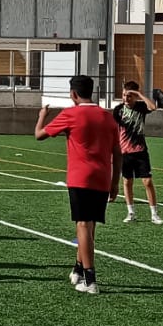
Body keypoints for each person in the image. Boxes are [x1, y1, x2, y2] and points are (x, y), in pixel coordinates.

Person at [35, 75, 117, 294]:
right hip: (102, 178)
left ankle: (90, 279)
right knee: (89, 226)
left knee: (82, 224)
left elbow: (39, 135)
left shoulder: (70, 114)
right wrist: (115, 182)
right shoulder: (107, 117)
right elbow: (118, 153)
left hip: (81, 177)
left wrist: (42, 117)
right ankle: (79, 269)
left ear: (73, 94)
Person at [111, 80, 163, 224]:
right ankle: (131, 212)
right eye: (124, 95)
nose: (126, 99)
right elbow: (114, 129)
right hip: (125, 152)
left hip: (140, 151)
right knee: (127, 182)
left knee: (147, 181)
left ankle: (154, 214)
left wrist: (140, 95)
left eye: (129, 96)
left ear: (134, 96)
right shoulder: (118, 110)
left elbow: (153, 107)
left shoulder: (141, 107)